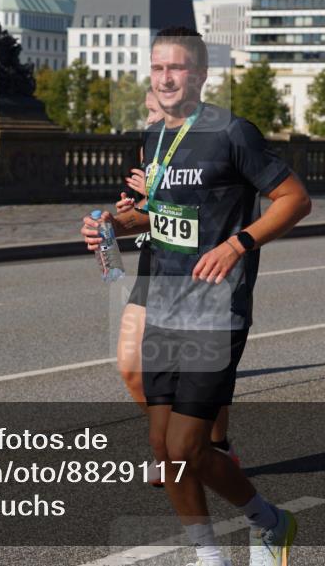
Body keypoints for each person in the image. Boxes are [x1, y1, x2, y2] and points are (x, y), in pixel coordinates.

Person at [82, 28, 311, 566]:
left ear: (201, 75)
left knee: (187, 447)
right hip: (162, 297)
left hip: (214, 305)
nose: (165, 77)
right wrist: (111, 222)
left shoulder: (232, 132)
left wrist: (237, 243)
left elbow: (295, 199)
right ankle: (209, 556)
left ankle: (269, 523)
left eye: (177, 68)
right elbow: (159, 215)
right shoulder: (155, 136)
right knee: (165, 451)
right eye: (158, 67)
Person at [115, 90, 238, 488]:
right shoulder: (153, 144)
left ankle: (208, 448)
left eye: (157, 111)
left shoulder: (209, 143)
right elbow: (147, 215)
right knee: (132, 366)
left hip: (198, 268)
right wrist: (129, 213)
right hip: (155, 267)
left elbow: (215, 210)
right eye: (148, 112)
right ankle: (176, 449)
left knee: (202, 368)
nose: (152, 119)